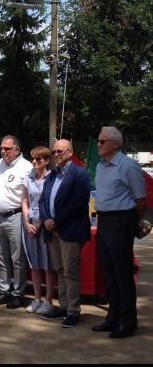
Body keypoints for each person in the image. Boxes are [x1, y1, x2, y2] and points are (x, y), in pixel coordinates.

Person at [93, 126, 146, 338]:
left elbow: (140, 201)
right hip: (103, 220)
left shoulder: (128, 166)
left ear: (115, 144)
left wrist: (129, 224)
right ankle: (112, 317)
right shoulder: (100, 166)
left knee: (123, 274)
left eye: (102, 141)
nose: (98, 144)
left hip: (121, 220)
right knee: (109, 272)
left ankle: (128, 321)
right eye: (98, 141)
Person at [39, 139, 91, 328]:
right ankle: (63, 306)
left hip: (69, 230)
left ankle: (73, 311)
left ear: (70, 152)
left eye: (60, 151)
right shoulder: (52, 175)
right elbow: (43, 200)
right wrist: (45, 220)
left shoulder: (80, 174)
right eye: (54, 152)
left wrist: (56, 221)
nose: (56, 155)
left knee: (70, 271)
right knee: (59, 270)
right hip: (52, 230)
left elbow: (78, 204)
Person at [0, 135, 32, 309]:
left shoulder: (26, 167)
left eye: (7, 148)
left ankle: (18, 293)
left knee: (17, 258)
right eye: (1, 148)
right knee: (0, 257)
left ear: (17, 150)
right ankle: (4, 291)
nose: (3, 151)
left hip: (15, 216)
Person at [21, 146, 56, 315]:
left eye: (39, 159)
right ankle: (36, 299)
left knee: (47, 264)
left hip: (45, 223)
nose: (35, 162)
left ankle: (48, 300)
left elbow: (50, 202)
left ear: (47, 161)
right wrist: (27, 222)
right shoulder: (28, 178)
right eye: (33, 159)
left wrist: (40, 223)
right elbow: (24, 201)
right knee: (34, 264)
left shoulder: (51, 178)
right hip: (30, 224)